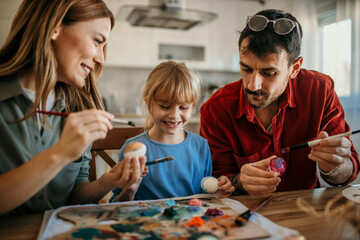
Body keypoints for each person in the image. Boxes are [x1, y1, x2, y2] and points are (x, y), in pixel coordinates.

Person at [0, 0, 147, 215]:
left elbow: (73, 196)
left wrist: (107, 181)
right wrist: (60, 154)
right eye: (97, 41)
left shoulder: (77, 108)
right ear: (54, 27)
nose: (101, 59)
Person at [200, 9, 360, 196]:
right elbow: (215, 182)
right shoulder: (216, 109)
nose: (253, 85)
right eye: (246, 69)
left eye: (269, 73)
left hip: (307, 211)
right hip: (246, 214)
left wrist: (334, 166)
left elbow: (348, 172)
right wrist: (240, 181)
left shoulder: (320, 91)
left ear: (295, 68)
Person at [110, 61, 235, 202]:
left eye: (183, 107)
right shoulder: (133, 149)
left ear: (193, 107)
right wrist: (129, 191)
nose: (174, 115)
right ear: (148, 102)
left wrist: (218, 188)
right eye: (165, 106)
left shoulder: (201, 146)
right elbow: (115, 205)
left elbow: (204, 196)